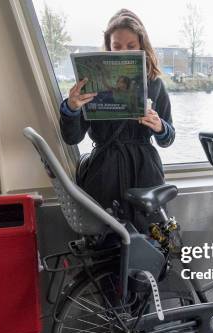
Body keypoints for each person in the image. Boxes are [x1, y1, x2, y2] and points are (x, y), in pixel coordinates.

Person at [59, 9, 175, 228]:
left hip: (145, 170)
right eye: (117, 46)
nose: (124, 51)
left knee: (149, 238)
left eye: (131, 46)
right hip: (104, 170)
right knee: (107, 239)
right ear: (108, 48)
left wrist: (160, 126)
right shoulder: (91, 83)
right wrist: (71, 107)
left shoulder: (155, 85)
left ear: (142, 46)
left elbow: (168, 139)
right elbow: (72, 137)